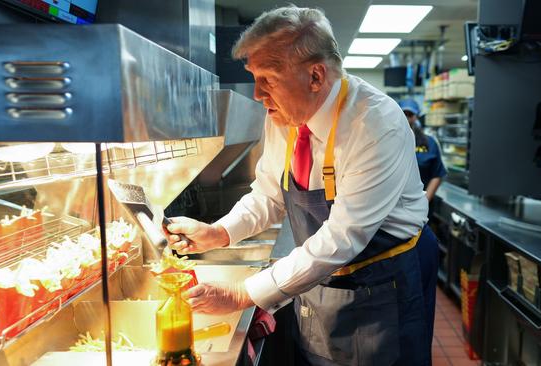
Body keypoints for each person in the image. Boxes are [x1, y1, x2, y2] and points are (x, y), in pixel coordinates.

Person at [166, 6, 438, 366]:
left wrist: (243, 293)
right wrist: (219, 232)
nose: (259, 94)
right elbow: (268, 194)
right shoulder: (286, 116)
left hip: (383, 279)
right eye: (254, 77)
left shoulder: (375, 124)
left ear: (315, 76)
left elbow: (344, 237)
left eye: (269, 78)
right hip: (322, 275)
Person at [399, 99, 447, 201]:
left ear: (416, 116)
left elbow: (437, 174)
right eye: (404, 114)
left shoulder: (429, 143)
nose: (407, 119)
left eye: (410, 115)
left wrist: (424, 202)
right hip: (394, 206)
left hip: (421, 204)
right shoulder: (390, 141)